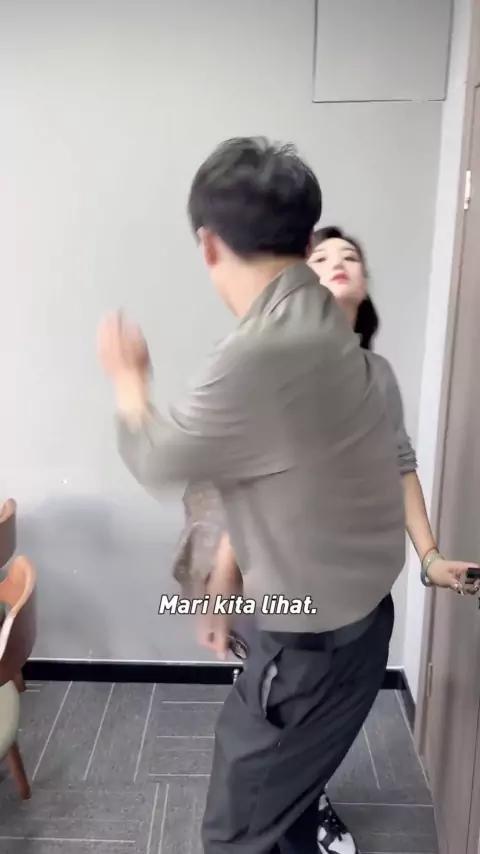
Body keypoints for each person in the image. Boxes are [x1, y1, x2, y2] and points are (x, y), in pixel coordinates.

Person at [98, 136, 413, 854]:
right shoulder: (336, 336)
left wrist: (128, 380)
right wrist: (220, 587)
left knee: (236, 831)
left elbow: (156, 459)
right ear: (306, 243)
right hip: (358, 629)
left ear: (209, 245)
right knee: (286, 806)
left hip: (307, 652)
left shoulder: (256, 356)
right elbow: (272, 480)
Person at [173, 224, 479, 854]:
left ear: (363, 288)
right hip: (293, 625)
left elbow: (399, 465)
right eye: (319, 256)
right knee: (239, 817)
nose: (337, 262)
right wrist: (220, 589)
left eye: (350, 256)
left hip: (366, 623)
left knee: (308, 761)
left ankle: (305, 811)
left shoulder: (377, 376)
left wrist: (430, 558)